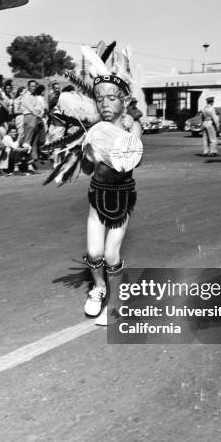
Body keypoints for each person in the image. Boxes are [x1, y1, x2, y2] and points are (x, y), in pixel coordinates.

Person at [79, 45, 143, 326]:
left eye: (112, 98)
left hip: (122, 197)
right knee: (94, 253)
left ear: (125, 101)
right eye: (100, 99)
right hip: (97, 195)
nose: (105, 104)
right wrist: (87, 153)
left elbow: (132, 162)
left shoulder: (131, 128)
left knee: (110, 253)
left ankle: (114, 305)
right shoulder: (92, 130)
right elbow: (86, 169)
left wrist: (115, 140)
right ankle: (99, 288)